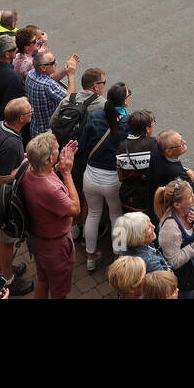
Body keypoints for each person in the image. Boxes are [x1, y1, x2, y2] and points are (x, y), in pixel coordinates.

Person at [0, 97, 35, 296]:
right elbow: (3, 179)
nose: (32, 113)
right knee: (6, 240)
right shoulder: (12, 143)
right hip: (1, 200)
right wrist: (24, 164)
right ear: (21, 118)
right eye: (30, 111)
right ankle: (8, 280)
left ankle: (4, 270)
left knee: (0, 235)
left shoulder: (0, 126)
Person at [20, 131, 80, 299]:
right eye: (56, 149)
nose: (59, 149)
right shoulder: (50, 190)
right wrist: (66, 172)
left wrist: (56, 168)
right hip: (56, 247)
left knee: (43, 279)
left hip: (38, 240)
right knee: (59, 292)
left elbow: (45, 172)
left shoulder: (28, 167)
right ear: (49, 159)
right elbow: (75, 209)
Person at [79, 82, 129, 273]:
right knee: (117, 215)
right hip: (113, 179)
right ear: (124, 101)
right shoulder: (126, 121)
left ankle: (90, 257)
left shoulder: (95, 117)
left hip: (90, 175)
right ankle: (118, 257)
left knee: (93, 214)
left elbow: (83, 144)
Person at [154, 178, 194, 298]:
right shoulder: (170, 227)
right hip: (184, 279)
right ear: (177, 204)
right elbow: (173, 262)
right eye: (190, 196)